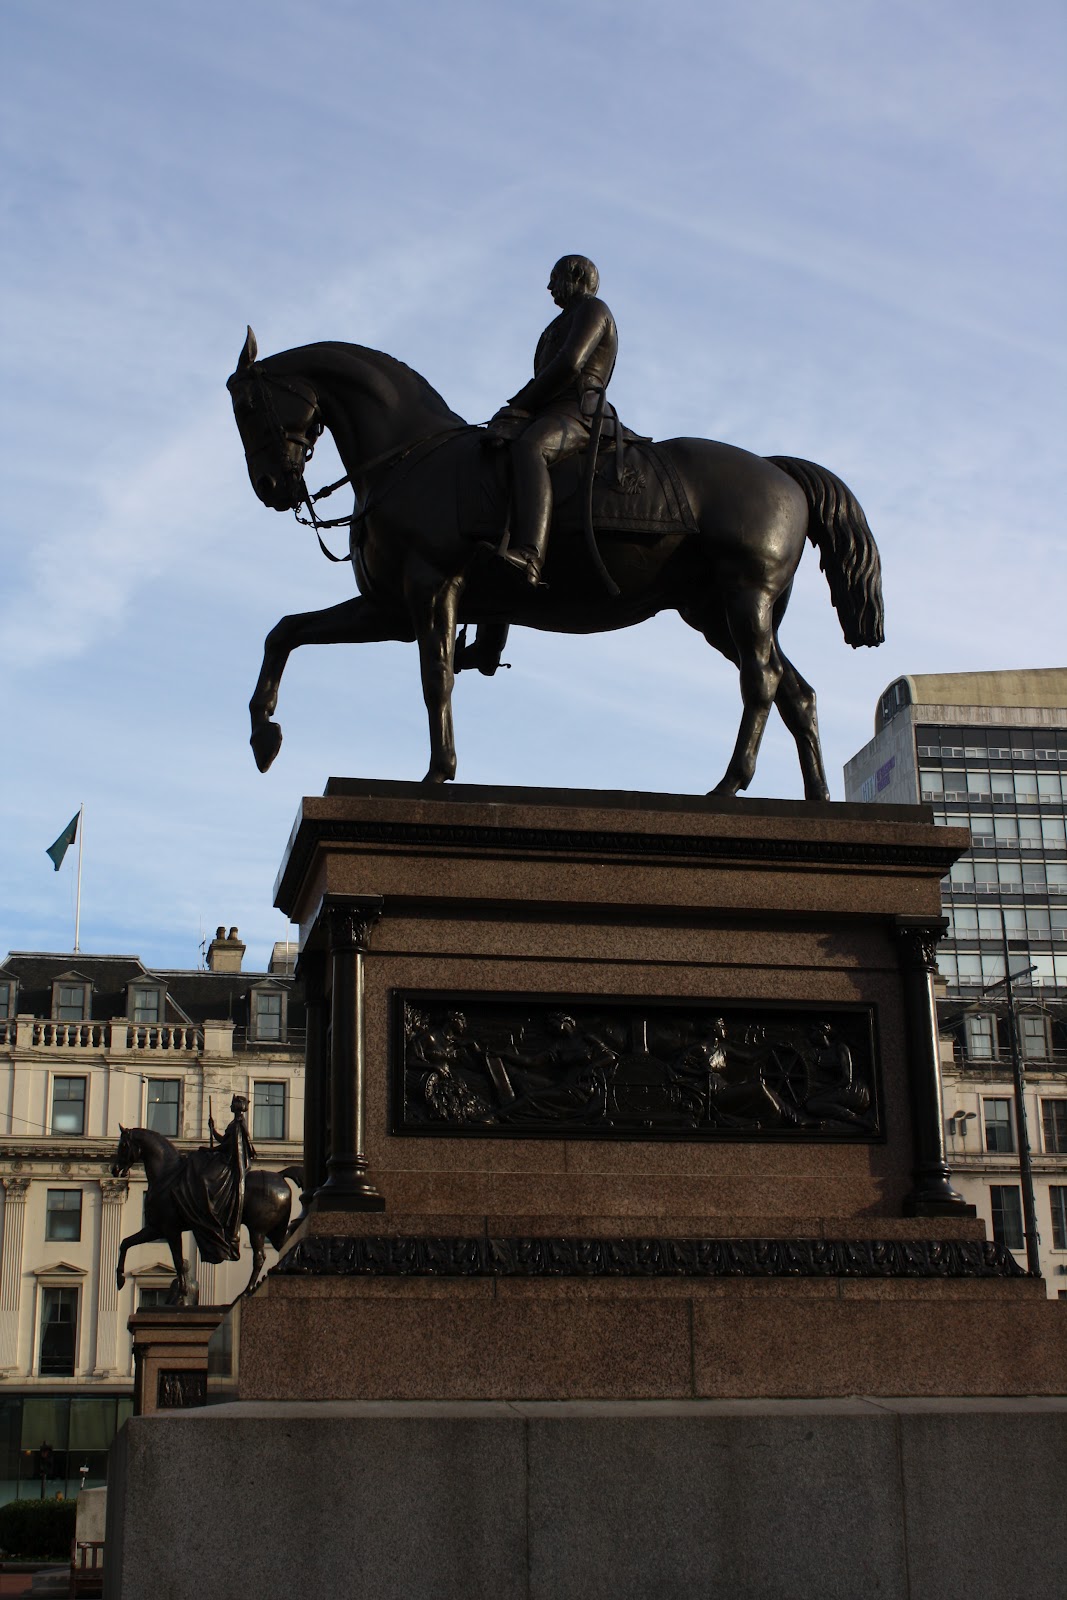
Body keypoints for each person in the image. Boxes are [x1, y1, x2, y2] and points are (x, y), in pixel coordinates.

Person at [488, 255, 618, 586]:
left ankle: (530, 555)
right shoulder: (559, 323)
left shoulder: (593, 310)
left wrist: (520, 404)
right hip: (551, 410)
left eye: (554, 278)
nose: (549, 287)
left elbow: (569, 365)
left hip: (579, 411)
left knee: (531, 448)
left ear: (576, 277)